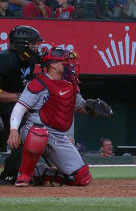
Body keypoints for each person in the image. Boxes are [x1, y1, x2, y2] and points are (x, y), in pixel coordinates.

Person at [7, 47, 92, 187]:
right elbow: (19, 107)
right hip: (32, 130)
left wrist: (92, 107)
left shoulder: (71, 85)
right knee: (38, 133)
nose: (69, 65)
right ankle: (24, 174)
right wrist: (14, 130)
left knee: (82, 178)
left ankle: (39, 172)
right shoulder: (38, 83)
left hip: (58, 136)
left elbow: (79, 108)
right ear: (52, 64)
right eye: (64, 62)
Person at [0, 25, 42, 185]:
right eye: (32, 44)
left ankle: (10, 174)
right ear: (22, 44)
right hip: (6, 101)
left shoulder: (28, 62)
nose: (36, 47)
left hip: (10, 104)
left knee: (25, 133)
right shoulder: (5, 59)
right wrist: (17, 97)